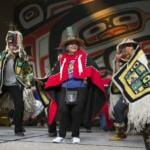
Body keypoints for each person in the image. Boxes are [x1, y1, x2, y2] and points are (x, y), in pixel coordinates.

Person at [45, 26, 105, 144]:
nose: (73, 46)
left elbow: (92, 68)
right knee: (63, 110)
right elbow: (55, 73)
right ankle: (61, 135)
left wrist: (87, 76)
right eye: (71, 44)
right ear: (66, 47)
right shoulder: (62, 59)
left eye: (75, 44)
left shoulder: (84, 57)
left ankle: (75, 135)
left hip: (80, 88)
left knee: (77, 111)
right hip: (64, 88)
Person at [0, 24, 33, 136]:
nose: (12, 47)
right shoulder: (2, 56)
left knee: (20, 105)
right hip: (2, 84)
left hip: (15, 85)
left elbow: (28, 71)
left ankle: (18, 128)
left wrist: (28, 85)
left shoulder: (22, 57)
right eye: (10, 45)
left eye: (15, 45)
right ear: (7, 45)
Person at [109, 39, 138, 141]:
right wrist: (117, 61)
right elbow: (117, 74)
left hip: (140, 92)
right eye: (124, 46)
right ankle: (120, 134)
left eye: (129, 45)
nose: (126, 48)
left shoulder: (139, 59)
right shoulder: (119, 61)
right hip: (127, 92)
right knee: (118, 108)